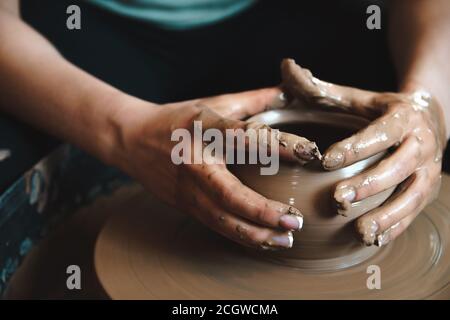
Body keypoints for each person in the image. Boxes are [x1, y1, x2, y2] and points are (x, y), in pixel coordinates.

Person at [0, 0, 448, 250]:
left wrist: (429, 103)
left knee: (410, 131)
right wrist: (124, 133)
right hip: (79, 28)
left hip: (288, 18)